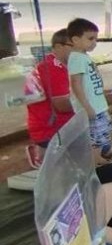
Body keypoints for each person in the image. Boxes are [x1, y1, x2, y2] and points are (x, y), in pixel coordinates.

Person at [66, 17, 112, 162]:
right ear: (75, 40)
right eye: (90, 39)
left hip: (97, 106)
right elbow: (76, 84)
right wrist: (86, 107)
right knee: (95, 136)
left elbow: (90, 83)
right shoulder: (77, 59)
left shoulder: (83, 57)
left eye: (96, 39)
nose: (94, 42)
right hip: (91, 107)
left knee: (102, 132)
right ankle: (96, 160)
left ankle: (101, 154)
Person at [23, 28, 73, 167]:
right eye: (74, 46)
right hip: (52, 129)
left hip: (53, 126)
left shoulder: (59, 65)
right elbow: (62, 106)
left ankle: (43, 152)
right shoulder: (53, 68)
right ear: (58, 47)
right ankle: (43, 155)